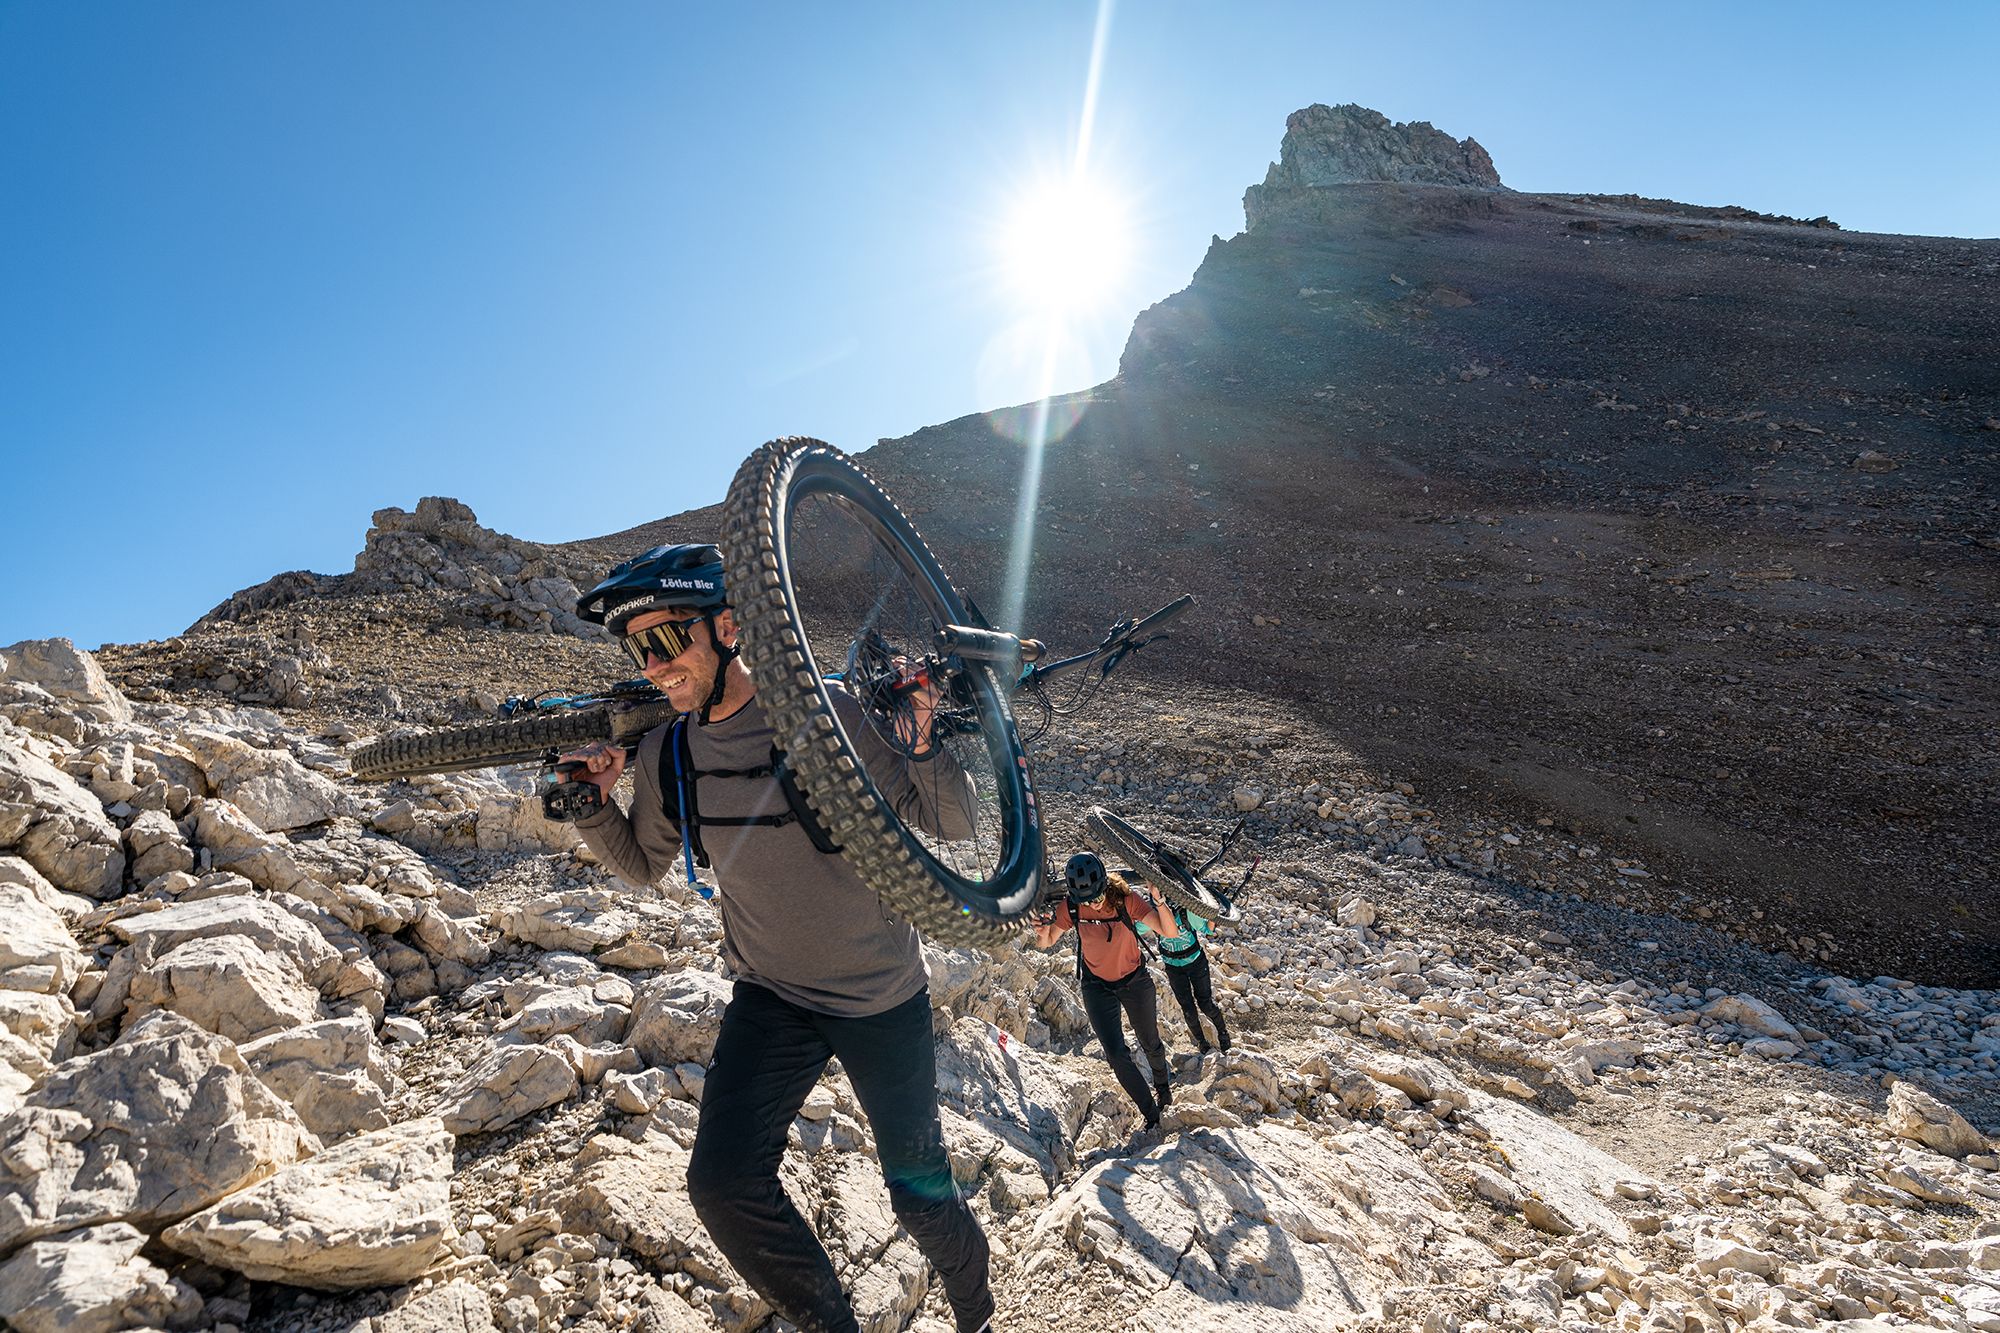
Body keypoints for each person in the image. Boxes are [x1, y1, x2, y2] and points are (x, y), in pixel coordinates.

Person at [560, 543, 994, 1333]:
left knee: (919, 1196)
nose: (653, 666)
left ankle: (977, 1311)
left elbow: (955, 821)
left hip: (880, 995)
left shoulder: (828, 713)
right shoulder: (670, 752)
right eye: (637, 648)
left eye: (665, 641)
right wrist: (590, 801)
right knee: (722, 1184)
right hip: (771, 994)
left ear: (729, 627)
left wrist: (924, 735)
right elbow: (642, 864)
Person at [1031, 851, 1175, 1128]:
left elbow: (1168, 931)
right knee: (1116, 1054)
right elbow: (1048, 940)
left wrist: (1158, 898)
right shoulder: (1071, 907)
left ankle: (1164, 1091)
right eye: (1087, 901)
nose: (1094, 906)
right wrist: (1040, 931)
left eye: (1097, 898)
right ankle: (1152, 1115)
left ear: (1105, 887)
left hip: (1134, 980)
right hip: (1096, 985)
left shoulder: (1125, 899)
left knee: (1150, 1042)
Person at [1137, 898, 1231, 1056]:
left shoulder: (1186, 913)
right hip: (1174, 968)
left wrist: (1213, 916)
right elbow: (1133, 929)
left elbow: (1207, 930)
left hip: (1196, 963)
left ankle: (1223, 1034)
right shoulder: (1154, 917)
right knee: (1188, 1010)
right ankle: (1202, 1043)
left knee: (1206, 1004)